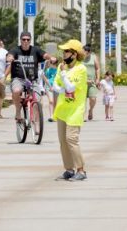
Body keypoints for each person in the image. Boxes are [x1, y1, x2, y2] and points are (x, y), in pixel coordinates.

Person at [52, 39, 89, 181]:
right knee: (62, 141)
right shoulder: (62, 67)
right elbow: (55, 85)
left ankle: (81, 170)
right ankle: (69, 169)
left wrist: (63, 77)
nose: (64, 54)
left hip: (75, 110)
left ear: (74, 54)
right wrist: (61, 87)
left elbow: (71, 88)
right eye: (64, 51)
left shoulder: (81, 69)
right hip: (62, 109)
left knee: (71, 139)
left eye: (66, 51)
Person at [7, 31, 49, 123]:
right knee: (17, 91)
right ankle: (18, 110)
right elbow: (10, 55)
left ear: (30, 40)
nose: (26, 41)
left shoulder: (35, 50)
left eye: (28, 39)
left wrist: (50, 57)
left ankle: (37, 125)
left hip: (33, 80)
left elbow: (44, 54)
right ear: (20, 40)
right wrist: (10, 58)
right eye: (23, 39)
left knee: (37, 102)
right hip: (19, 79)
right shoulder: (15, 50)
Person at [82, 45, 100, 121]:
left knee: (93, 98)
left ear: (89, 52)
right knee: (82, 100)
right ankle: (83, 116)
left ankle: (91, 110)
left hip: (92, 81)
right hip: (82, 81)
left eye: (84, 52)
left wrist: (98, 79)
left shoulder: (94, 57)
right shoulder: (80, 58)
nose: (83, 53)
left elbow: (98, 68)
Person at [44, 57, 59, 122]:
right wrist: (50, 86)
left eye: (54, 62)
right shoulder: (47, 70)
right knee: (51, 101)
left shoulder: (58, 70)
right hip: (48, 86)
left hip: (56, 86)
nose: (53, 63)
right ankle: (51, 116)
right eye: (51, 62)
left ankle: (55, 115)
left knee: (56, 102)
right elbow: (45, 78)